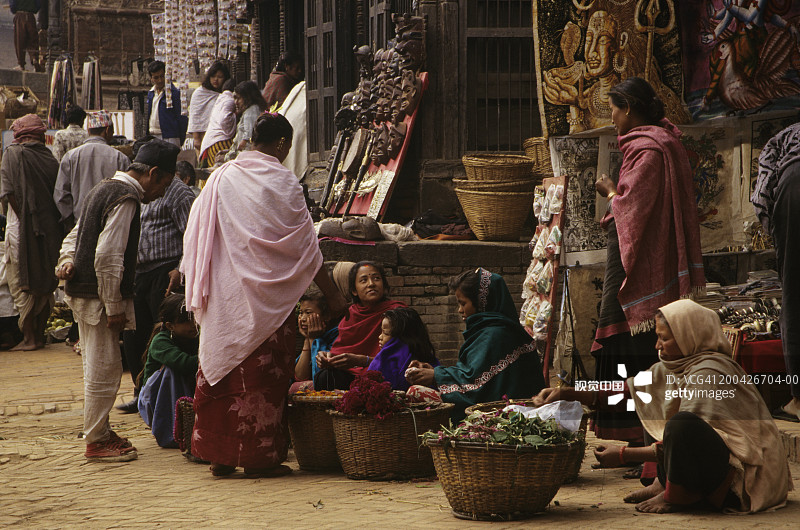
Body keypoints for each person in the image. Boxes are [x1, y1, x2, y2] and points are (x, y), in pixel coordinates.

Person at [180, 112, 346, 477]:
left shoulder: (221, 176)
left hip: (225, 294)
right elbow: (305, 248)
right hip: (270, 301)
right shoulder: (283, 182)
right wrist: (333, 295)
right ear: (283, 143)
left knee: (223, 371)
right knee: (262, 378)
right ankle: (258, 460)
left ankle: (220, 457)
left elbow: (198, 236)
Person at [533, 300, 792, 514]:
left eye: (663, 339)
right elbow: (626, 393)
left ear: (689, 337)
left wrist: (623, 455)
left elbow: (692, 440)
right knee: (650, 397)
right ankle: (664, 482)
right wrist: (568, 393)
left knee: (681, 425)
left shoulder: (710, 373)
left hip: (739, 480)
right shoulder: (673, 368)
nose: (657, 346)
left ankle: (679, 496)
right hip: (714, 463)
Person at [591, 77, 705, 444]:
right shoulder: (659, 143)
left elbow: (632, 209)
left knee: (632, 342)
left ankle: (641, 437)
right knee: (634, 344)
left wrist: (610, 191)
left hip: (638, 266)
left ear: (628, 108)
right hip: (639, 258)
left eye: (613, 109)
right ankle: (639, 437)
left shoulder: (649, 150)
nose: (611, 118)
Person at [55, 139, 180, 463]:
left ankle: (100, 431)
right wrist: (113, 306)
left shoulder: (103, 188)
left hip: (85, 293)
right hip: (98, 298)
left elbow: (76, 236)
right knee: (105, 369)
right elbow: (108, 256)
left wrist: (66, 261)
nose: (162, 193)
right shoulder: (126, 197)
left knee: (97, 366)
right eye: (164, 183)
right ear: (153, 173)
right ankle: (97, 440)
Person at [118, 141, 196, 414]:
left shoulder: (179, 193)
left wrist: (180, 268)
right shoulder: (134, 191)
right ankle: (141, 392)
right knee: (133, 335)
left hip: (166, 272)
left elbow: (192, 236)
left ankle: (165, 391)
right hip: (138, 273)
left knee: (161, 333)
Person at [405, 268, 546, 421]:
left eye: (463, 303)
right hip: (497, 406)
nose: (460, 310)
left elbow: (475, 385)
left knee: (416, 393)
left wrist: (436, 376)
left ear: (481, 303)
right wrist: (435, 372)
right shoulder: (491, 332)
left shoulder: (496, 335)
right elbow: (474, 373)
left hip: (508, 416)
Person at [0, 114, 62, 351]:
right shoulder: (50, 158)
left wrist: (25, 218)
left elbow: (8, 194)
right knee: (45, 279)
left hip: (20, 228)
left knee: (21, 281)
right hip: (49, 230)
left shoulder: (12, 154)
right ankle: (39, 334)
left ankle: (29, 338)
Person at [752, 121, 800, 421]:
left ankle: (799, 401)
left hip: (795, 187)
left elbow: (762, 194)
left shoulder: (784, 138)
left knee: (795, 293)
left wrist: (777, 233)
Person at [314, 261, 406, 391]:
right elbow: (340, 352)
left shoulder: (398, 312)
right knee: (325, 377)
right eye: (363, 280)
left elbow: (402, 359)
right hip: (353, 376)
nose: (371, 284)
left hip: (385, 373)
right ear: (354, 290)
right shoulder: (350, 315)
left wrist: (364, 361)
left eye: (376, 278)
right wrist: (328, 358)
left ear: (384, 286)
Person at [53, 110, 132, 232]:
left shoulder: (70, 157)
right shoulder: (120, 158)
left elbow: (61, 194)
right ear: (107, 130)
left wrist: (70, 224)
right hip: (110, 226)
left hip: (79, 225)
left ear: (89, 131)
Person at [137, 293, 199, 448]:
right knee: (171, 371)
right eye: (186, 321)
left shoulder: (196, 335)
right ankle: (170, 431)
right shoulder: (161, 341)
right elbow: (184, 363)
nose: (193, 324)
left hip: (185, 392)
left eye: (194, 318)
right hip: (157, 400)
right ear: (171, 326)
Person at [369, 307, 439, 391]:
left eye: (386, 333)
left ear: (401, 339)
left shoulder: (383, 362)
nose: (380, 336)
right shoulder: (432, 363)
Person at [292, 288, 339, 391]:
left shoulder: (337, 335)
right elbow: (300, 376)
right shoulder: (310, 336)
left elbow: (320, 375)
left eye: (308, 313)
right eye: (301, 313)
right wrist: (307, 339)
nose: (303, 318)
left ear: (326, 316)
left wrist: (313, 339)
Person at [187, 62, 230, 152]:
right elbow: (195, 116)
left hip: (221, 137)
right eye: (213, 76)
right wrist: (196, 138)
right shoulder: (199, 93)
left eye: (220, 77)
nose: (216, 79)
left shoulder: (226, 95)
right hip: (202, 136)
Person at [224, 81, 269, 161]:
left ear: (247, 97)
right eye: (235, 98)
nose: (236, 102)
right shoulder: (252, 110)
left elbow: (249, 135)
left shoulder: (251, 111)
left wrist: (239, 149)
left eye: (239, 98)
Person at [199, 79, 236, 168]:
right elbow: (224, 120)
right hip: (220, 142)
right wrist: (236, 116)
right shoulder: (229, 100)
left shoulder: (221, 99)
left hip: (213, 142)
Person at [145, 61, 184, 146]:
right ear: (151, 78)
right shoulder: (151, 93)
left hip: (170, 136)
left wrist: (181, 138)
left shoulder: (174, 93)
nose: (160, 80)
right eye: (156, 78)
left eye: (162, 76)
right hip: (153, 135)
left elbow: (181, 117)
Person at [10, 0, 43, 72]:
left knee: (19, 41)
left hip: (20, 16)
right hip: (30, 16)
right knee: (33, 40)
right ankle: (34, 58)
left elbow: (13, 4)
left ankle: (21, 64)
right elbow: (38, 4)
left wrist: (14, 10)